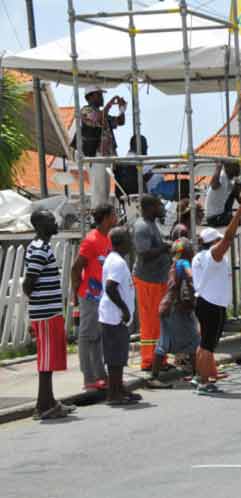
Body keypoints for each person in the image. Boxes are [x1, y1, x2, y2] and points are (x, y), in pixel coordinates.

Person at [23, 209, 76, 420]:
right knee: (46, 361)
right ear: (39, 225)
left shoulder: (43, 247)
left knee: (50, 359)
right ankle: (43, 407)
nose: (56, 222)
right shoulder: (38, 249)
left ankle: (49, 402)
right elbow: (28, 284)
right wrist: (35, 308)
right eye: (51, 220)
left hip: (49, 312)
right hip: (44, 313)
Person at [193, 202, 241, 395]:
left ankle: (202, 378)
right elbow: (229, 238)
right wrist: (238, 215)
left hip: (207, 302)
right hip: (211, 304)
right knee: (207, 346)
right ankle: (204, 383)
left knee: (205, 345)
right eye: (218, 241)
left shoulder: (200, 257)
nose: (222, 244)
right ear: (212, 243)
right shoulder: (211, 256)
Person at [70, 203, 117, 392]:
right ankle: (88, 377)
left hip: (103, 296)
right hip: (90, 295)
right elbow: (76, 268)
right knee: (87, 336)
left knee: (98, 337)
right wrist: (76, 294)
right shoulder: (91, 240)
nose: (116, 218)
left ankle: (99, 374)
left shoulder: (110, 238)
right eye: (113, 215)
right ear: (106, 218)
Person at [147, 238, 200, 389]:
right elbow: (191, 277)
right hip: (176, 309)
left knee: (164, 343)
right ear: (186, 252)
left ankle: (154, 378)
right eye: (191, 249)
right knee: (194, 340)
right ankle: (197, 376)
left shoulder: (174, 263)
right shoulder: (183, 263)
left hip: (169, 307)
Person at [98, 227, 142, 405]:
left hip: (115, 317)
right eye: (129, 240)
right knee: (115, 358)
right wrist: (124, 309)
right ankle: (114, 394)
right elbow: (110, 287)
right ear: (121, 243)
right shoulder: (117, 262)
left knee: (119, 356)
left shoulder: (116, 260)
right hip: (114, 316)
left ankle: (119, 388)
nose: (132, 243)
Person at [133, 195, 172, 371]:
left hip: (158, 279)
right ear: (150, 207)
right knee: (150, 322)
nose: (162, 208)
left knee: (159, 322)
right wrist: (164, 248)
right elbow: (144, 254)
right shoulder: (142, 226)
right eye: (159, 205)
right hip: (148, 280)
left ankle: (160, 358)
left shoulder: (151, 224)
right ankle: (149, 361)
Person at [78, 86, 126, 208]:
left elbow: (120, 121)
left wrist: (122, 108)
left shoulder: (103, 113)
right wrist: (111, 103)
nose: (102, 98)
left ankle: (102, 215)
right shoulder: (86, 111)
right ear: (90, 97)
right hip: (96, 155)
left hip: (105, 156)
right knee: (99, 189)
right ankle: (98, 215)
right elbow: (98, 118)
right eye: (99, 95)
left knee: (104, 189)